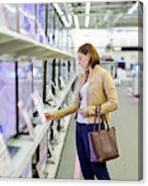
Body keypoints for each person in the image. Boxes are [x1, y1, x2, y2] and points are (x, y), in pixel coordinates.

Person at [44, 43, 119, 180]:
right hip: (80, 127)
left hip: (94, 127)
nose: (78, 62)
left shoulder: (103, 75)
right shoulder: (83, 78)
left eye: (80, 58)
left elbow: (114, 103)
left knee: (98, 168)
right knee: (85, 168)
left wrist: (91, 110)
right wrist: (55, 115)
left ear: (89, 56)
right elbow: (74, 106)